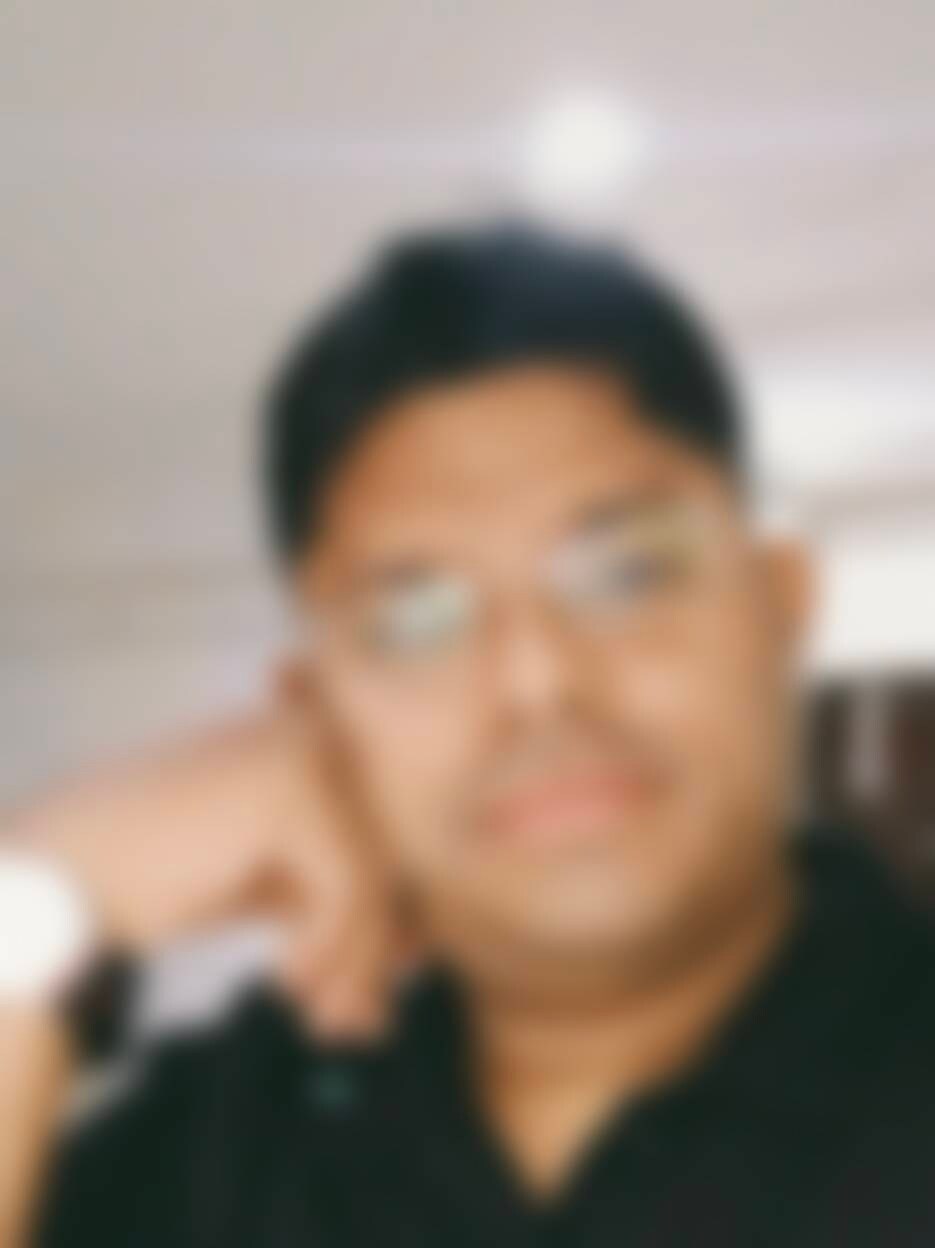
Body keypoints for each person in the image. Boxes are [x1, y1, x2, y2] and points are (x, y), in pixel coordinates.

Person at [2, 223, 935, 1248]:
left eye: (629, 571)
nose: (536, 682)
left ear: (779, 600)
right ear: (315, 713)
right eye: (416, 620)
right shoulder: (218, 1154)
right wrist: (46, 891)